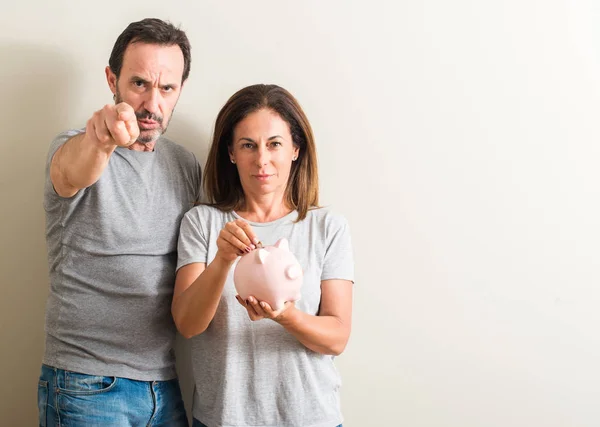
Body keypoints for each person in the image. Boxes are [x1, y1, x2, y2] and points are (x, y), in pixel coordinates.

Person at [38, 18, 200, 426]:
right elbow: (77, 170)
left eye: (167, 88)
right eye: (140, 83)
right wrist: (102, 139)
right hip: (86, 384)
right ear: (112, 79)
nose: (152, 104)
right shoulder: (75, 145)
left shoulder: (184, 164)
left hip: (163, 383)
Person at [173, 84, 354, 427]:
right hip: (224, 419)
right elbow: (187, 324)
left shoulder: (327, 228)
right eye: (248, 145)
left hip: (311, 418)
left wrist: (285, 317)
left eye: (274, 144)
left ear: (295, 149)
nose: (262, 159)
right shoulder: (202, 222)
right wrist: (223, 259)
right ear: (231, 153)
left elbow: (337, 337)